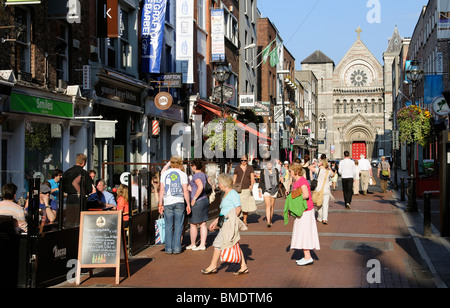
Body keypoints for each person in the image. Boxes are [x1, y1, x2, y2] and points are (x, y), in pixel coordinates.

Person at [201, 174, 248, 275]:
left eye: (220, 183)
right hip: (225, 223)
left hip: (228, 224)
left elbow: (238, 208)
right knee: (234, 243)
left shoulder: (233, 193)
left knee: (218, 243)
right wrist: (215, 222)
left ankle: (213, 266)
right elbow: (223, 211)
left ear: (225, 184)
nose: (218, 185)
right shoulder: (225, 194)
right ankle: (243, 266)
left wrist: (231, 220)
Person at [158, 155, 191, 254]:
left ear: (171, 163)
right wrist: (188, 204)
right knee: (178, 225)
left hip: (168, 202)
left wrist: (160, 204)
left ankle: (168, 248)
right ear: (180, 163)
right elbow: (185, 191)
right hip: (179, 201)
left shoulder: (164, 174)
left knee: (168, 226)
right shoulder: (183, 174)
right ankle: (177, 248)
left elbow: (161, 190)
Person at [289, 164, 320, 266]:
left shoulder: (301, 181)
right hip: (303, 210)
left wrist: (293, 198)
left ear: (296, 172)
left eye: (291, 171)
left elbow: (305, 195)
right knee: (303, 232)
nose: (289, 173)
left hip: (305, 211)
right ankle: (306, 255)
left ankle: (308, 257)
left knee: (304, 232)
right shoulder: (298, 181)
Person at [62, 153, 93, 227]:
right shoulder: (84, 173)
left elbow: (63, 187)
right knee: (81, 221)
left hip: (69, 198)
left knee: (70, 220)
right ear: (83, 162)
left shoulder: (67, 172)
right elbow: (89, 189)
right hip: (80, 199)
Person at [186, 159, 210, 251]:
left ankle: (193, 244)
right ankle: (202, 244)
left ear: (194, 166)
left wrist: (194, 198)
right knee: (203, 224)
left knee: (193, 224)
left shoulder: (196, 176)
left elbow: (200, 187)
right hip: (204, 199)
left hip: (198, 201)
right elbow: (210, 186)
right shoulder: (204, 174)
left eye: (192, 166)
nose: (191, 167)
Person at [232, 154, 256, 225]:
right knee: (238, 205)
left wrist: (251, 185)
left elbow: (252, 178)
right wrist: (232, 186)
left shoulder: (250, 168)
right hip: (237, 189)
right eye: (242, 160)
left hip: (246, 189)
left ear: (247, 160)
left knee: (245, 205)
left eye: (245, 160)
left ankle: (245, 220)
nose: (243, 161)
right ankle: (238, 219)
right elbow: (234, 178)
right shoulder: (237, 167)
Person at [258, 160, 280, 227]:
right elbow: (261, 180)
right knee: (268, 205)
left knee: (272, 205)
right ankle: (268, 221)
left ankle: (270, 219)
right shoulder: (263, 171)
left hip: (274, 189)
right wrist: (259, 190)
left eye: (270, 164)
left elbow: (277, 180)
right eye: (268, 164)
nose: (269, 166)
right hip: (266, 189)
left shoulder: (275, 170)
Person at [314, 160, 334, 224]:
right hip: (326, 190)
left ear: (321, 164)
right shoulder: (328, 172)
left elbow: (309, 167)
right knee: (325, 205)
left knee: (319, 204)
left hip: (319, 190)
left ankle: (320, 217)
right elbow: (333, 174)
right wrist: (329, 168)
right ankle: (325, 219)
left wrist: (316, 165)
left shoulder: (318, 170)